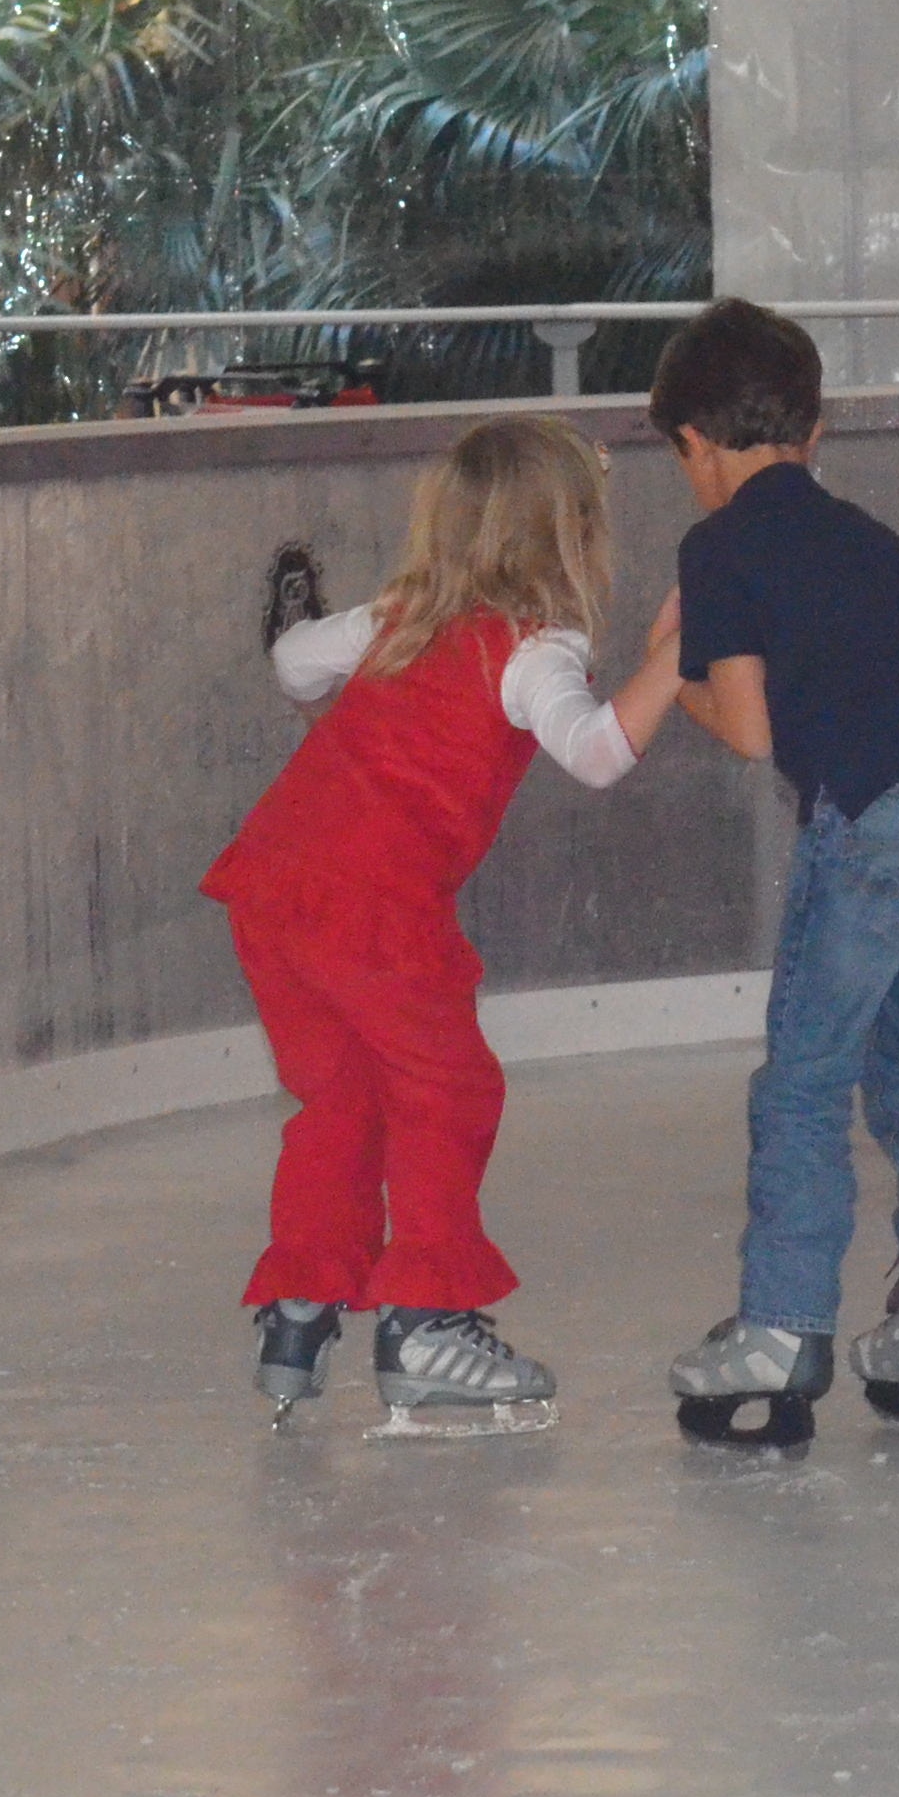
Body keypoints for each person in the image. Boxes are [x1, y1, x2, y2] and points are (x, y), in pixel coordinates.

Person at [204, 416, 685, 1436]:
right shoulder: (534, 648)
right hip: (373, 906)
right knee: (446, 1089)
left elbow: (292, 657)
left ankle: (300, 1304)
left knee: (342, 1098)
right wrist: (680, 658)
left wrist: (338, 676)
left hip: (274, 888)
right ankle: (423, 1320)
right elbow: (595, 752)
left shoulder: (400, 611)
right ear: (572, 536)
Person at [653, 300, 899, 1447]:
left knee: (807, 1078)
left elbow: (747, 729)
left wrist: (667, 676)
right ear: (814, 433)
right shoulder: (875, 538)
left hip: (880, 800)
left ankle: (779, 1326)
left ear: (693, 448)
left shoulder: (716, 543)